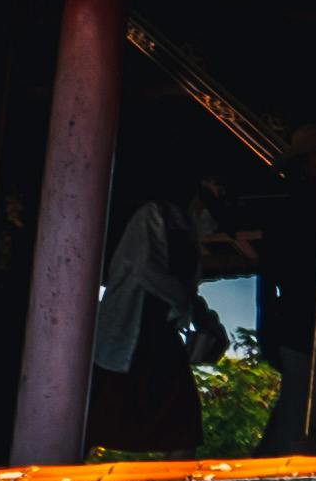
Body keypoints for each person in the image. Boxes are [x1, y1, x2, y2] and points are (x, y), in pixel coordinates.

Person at [86, 185, 219, 460]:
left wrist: (202, 318)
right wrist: (184, 302)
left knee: (183, 422)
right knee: (98, 416)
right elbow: (143, 266)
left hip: (162, 333)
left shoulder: (189, 233)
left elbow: (188, 291)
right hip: (129, 332)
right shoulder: (154, 214)